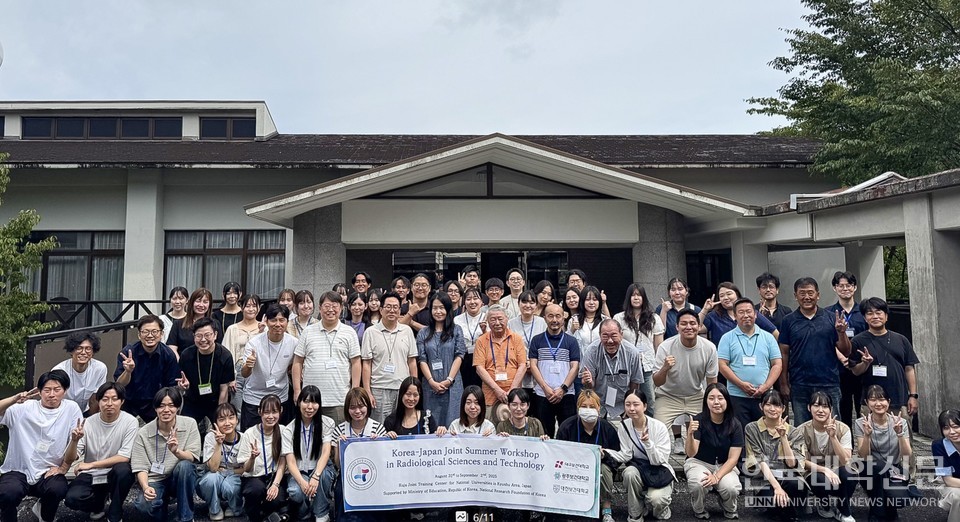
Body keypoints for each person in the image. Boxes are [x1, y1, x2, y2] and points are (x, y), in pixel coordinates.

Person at [0, 370, 84, 522]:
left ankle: (45, 516)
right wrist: (14, 399)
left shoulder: (71, 409)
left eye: (57, 389)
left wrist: (66, 461)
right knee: (7, 493)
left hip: (48, 470)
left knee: (58, 489)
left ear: (65, 391)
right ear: (39, 391)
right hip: (18, 469)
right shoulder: (23, 408)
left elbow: (74, 451)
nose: (52, 394)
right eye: (46, 390)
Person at [777, 277, 853, 425]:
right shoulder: (788, 321)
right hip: (800, 383)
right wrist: (784, 383)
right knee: (801, 428)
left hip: (829, 382)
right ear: (795, 295)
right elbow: (784, 353)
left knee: (832, 426)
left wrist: (841, 332)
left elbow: (846, 351)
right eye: (802, 293)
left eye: (810, 293)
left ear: (818, 295)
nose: (807, 297)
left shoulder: (831, 318)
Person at [62, 382, 139, 522]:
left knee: (124, 471)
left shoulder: (130, 422)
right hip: (92, 475)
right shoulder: (88, 423)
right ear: (98, 401)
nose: (109, 403)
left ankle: (115, 512)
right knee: (71, 499)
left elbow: (124, 456)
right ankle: (98, 504)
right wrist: (73, 441)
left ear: (122, 401)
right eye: (104, 399)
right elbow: (70, 458)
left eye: (114, 399)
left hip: (114, 472)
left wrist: (91, 464)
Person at [848, 297, 919, 433]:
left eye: (879, 312)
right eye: (870, 313)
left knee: (903, 443)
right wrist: (865, 363)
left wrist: (913, 396)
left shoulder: (901, 339)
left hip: (899, 400)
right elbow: (855, 371)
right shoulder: (857, 341)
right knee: (870, 443)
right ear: (865, 318)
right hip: (870, 403)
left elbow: (909, 369)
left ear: (886, 316)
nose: (875, 316)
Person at [131, 387, 201, 522]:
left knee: (185, 466)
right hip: (155, 480)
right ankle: (160, 509)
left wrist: (176, 451)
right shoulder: (144, 432)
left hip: (178, 478)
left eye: (171, 405)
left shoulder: (189, 424)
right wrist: (146, 487)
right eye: (161, 406)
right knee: (143, 506)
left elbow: (193, 457)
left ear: (178, 407)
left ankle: (185, 518)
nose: (166, 410)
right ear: (155, 408)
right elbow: (140, 467)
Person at [293, 290, 362, 424]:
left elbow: (356, 363)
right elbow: (297, 362)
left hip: (339, 400)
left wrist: (354, 391)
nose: (331, 310)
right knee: (311, 439)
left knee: (337, 439)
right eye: (326, 306)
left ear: (341, 308)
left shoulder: (349, 332)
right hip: (310, 401)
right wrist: (297, 390)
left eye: (335, 306)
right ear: (319, 308)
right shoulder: (308, 331)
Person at [555, 390, 621, 522]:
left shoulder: (608, 429)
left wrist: (605, 456)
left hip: (600, 470)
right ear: (578, 408)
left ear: (599, 408)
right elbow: (558, 453)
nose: (588, 410)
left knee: (605, 469)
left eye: (592, 407)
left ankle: (606, 509)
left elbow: (618, 457)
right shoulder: (567, 426)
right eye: (584, 406)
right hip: (573, 468)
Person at [717, 298, 783, 429]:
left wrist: (766, 386)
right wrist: (741, 385)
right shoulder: (727, 338)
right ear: (735, 316)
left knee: (766, 432)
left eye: (749, 311)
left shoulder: (768, 337)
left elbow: (777, 364)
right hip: (737, 395)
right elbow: (722, 365)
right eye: (741, 312)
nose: (746, 315)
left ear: (756, 314)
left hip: (764, 396)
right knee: (740, 433)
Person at [653, 310, 718, 441]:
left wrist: (711, 403)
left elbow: (712, 383)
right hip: (668, 396)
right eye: (683, 324)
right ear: (677, 327)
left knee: (708, 433)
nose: (688, 327)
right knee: (656, 433)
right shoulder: (665, 347)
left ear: (699, 326)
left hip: (696, 396)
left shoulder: (709, 348)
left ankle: (694, 458)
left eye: (692, 323)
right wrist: (665, 368)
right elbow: (657, 382)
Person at [612, 389, 675, 522]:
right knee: (629, 473)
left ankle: (661, 509)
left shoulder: (659, 427)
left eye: (636, 404)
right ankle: (636, 513)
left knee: (657, 500)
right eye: (627, 404)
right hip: (639, 469)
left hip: (659, 470)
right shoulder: (623, 426)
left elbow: (660, 460)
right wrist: (605, 452)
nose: (631, 408)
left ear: (645, 406)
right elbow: (626, 455)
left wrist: (648, 443)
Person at [743, 390, 807, 522]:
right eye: (768, 404)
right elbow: (759, 461)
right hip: (764, 480)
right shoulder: (751, 429)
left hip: (789, 478)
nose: (772, 409)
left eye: (777, 405)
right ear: (761, 407)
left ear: (783, 409)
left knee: (795, 486)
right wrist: (777, 487)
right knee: (772, 502)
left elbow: (791, 464)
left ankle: (787, 511)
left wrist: (783, 437)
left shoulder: (794, 432)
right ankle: (789, 512)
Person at [854, 384, 915, 521]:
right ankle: (878, 513)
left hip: (895, 469)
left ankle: (884, 509)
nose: (878, 403)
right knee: (879, 467)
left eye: (882, 399)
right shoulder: (861, 423)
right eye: (873, 400)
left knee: (900, 499)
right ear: (866, 403)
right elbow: (863, 456)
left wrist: (899, 434)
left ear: (888, 402)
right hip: (871, 471)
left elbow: (907, 454)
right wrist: (867, 435)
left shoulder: (900, 422)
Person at [683, 383, 744, 520]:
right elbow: (691, 453)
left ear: (727, 400)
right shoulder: (698, 420)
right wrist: (690, 434)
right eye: (711, 398)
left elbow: (733, 459)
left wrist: (716, 476)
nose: (716, 402)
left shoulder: (735, 424)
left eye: (720, 398)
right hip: (700, 462)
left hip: (725, 464)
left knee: (731, 488)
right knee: (699, 482)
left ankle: (729, 507)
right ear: (706, 401)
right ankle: (698, 508)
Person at [797, 391, 856, 522]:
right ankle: (824, 504)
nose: (820, 410)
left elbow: (846, 460)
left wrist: (833, 437)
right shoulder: (801, 430)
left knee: (850, 475)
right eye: (816, 406)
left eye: (825, 406)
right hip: (814, 470)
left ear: (831, 409)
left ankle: (843, 510)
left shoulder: (843, 428)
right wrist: (824, 470)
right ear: (809, 407)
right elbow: (802, 461)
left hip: (838, 468)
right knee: (818, 479)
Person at [362, 291, 418, 422]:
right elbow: (366, 364)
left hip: (403, 389)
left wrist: (414, 389)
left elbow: (412, 362)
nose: (392, 310)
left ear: (399, 311)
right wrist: (367, 391)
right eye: (388, 307)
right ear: (381, 310)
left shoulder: (407, 331)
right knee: (380, 429)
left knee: (402, 426)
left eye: (395, 307)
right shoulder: (370, 332)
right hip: (379, 389)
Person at [114, 314, 182, 422]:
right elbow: (119, 385)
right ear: (139, 335)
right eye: (145, 332)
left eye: (154, 331)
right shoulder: (128, 352)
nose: (150, 335)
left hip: (156, 404)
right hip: (129, 403)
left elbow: (171, 386)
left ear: (161, 334)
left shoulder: (168, 355)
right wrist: (128, 371)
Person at [241, 303, 298, 430]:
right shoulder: (254, 343)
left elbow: (295, 366)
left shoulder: (294, 343)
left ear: (287, 322)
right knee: (252, 437)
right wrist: (249, 365)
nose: (278, 324)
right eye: (273, 320)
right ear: (266, 321)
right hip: (254, 398)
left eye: (282, 320)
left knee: (280, 437)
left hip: (280, 398)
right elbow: (244, 374)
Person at [284, 386, 337, 522]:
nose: (310, 407)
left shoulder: (327, 423)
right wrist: (302, 483)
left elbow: (326, 452)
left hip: (319, 468)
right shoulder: (289, 429)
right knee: (295, 492)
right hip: (299, 471)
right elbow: (290, 462)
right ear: (298, 402)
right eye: (306, 401)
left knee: (324, 476)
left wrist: (316, 476)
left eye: (314, 402)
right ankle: (304, 511)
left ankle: (321, 512)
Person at [528, 303, 580, 438]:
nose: (554, 320)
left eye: (558, 316)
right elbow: (533, 365)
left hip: (566, 393)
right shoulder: (536, 340)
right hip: (543, 393)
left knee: (568, 433)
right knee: (545, 433)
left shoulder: (571, 341)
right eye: (550, 316)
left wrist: (562, 389)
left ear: (564, 318)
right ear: (544, 318)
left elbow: (575, 367)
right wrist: (545, 388)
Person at [614, 283, 665, 415]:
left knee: (649, 400)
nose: (636, 298)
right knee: (626, 398)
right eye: (633, 295)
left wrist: (659, 366)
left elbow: (659, 345)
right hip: (625, 365)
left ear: (644, 298)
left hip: (647, 365)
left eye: (639, 295)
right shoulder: (619, 318)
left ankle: (650, 429)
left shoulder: (654, 318)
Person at [417, 292, 466, 427]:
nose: (438, 311)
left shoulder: (456, 330)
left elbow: (460, 355)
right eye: (435, 308)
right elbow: (422, 359)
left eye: (442, 308)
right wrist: (431, 381)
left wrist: (449, 380)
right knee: (431, 424)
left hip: (453, 384)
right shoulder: (423, 332)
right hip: (430, 385)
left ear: (448, 309)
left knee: (453, 424)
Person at [828, 271, 869, 430]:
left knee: (863, 407)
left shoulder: (865, 311)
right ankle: (847, 445)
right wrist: (841, 357)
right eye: (841, 286)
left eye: (849, 285)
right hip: (840, 368)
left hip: (862, 367)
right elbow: (829, 340)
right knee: (843, 407)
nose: (845, 289)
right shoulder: (829, 313)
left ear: (855, 287)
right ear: (835, 288)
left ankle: (865, 442)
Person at [237, 394, 288, 522]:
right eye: (266, 412)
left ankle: (269, 515)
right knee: (255, 490)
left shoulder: (283, 431)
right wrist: (252, 458)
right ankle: (256, 515)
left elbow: (283, 462)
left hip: (275, 476)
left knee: (276, 498)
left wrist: (275, 485)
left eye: (274, 412)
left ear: (280, 411)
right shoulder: (249, 433)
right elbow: (246, 469)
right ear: (259, 412)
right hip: (254, 477)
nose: (270, 416)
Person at [581, 319, 645, 420]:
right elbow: (589, 387)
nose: (610, 341)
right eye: (605, 336)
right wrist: (588, 381)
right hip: (598, 401)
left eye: (614, 336)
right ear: (600, 335)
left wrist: (630, 406)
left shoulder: (632, 352)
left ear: (621, 334)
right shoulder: (591, 351)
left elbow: (635, 383)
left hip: (622, 401)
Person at [178, 317, 235, 429]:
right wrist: (183, 387)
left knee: (219, 429)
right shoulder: (186, 355)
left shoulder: (225, 356)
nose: (203, 340)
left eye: (207, 335)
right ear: (194, 337)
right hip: (193, 400)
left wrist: (220, 415)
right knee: (183, 428)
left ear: (215, 335)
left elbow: (224, 390)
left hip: (215, 401)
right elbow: (182, 383)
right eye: (198, 336)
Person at [473, 305, 528, 417]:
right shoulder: (481, 341)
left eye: (500, 319)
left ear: (507, 319)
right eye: (493, 319)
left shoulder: (516, 339)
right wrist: (497, 390)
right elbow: (479, 368)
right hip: (490, 395)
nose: (497, 322)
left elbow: (522, 366)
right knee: (490, 429)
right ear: (487, 322)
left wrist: (512, 390)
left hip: (515, 397)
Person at [197, 403, 245, 521]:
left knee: (229, 485)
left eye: (231, 417)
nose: (227, 423)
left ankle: (235, 507)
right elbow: (213, 468)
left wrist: (228, 472)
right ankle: (215, 508)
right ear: (216, 423)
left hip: (235, 475)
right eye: (222, 419)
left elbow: (246, 468)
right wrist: (218, 443)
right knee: (210, 479)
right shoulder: (210, 437)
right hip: (215, 475)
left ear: (237, 420)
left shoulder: (244, 438)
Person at [700, 282, 779, 350]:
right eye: (722, 296)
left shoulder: (751, 313)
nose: (726, 298)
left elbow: (775, 333)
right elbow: (697, 328)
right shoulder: (714, 316)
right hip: (724, 361)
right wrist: (705, 309)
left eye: (729, 294)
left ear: (737, 294)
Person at [223, 294, 264, 412]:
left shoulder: (265, 328)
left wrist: (262, 332)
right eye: (248, 306)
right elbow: (227, 354)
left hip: (258, 370)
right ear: (241, 307)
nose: (251, 309)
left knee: (257, 407)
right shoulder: (232, 328)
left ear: (259, 308)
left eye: (254, 306)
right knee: (238, 408)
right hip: (238, 370)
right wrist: (231, 377)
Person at [53, 331, 108, 415]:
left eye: (88, 348)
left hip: (87, 412)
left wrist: (89, 421)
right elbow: (55, 398)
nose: (83, 352)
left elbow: (96, 398)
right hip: (62, 413)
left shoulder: (100, 368)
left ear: (93, 352)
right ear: (71, 351)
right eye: (79, 348)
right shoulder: (59, 370)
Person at [507, 290, 546, 397]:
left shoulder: (542, 322)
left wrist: (533, 362)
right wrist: (523, 362)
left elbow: (545, 346)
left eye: (531, 302)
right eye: (524, 302)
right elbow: (508, 347)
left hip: (538, 371)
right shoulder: (511, 323)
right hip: (517, 371)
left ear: (536, 305)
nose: (528, 305)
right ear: (518, 303)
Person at [167, 287, 223, 356]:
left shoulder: (216, 324)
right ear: (191, 302)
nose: (201, 305)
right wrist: (180, 362)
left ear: (209, 304)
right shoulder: (178, 324)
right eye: (198, 301)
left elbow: (219, 347)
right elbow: (172, 347)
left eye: (205, 302)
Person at [453, 287, 486, 388]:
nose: (472, 302)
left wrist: (485, 332)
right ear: (464, 303)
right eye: (468, 299)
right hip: (463, 360)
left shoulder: (487, 317)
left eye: (475, 298)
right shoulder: (457, 320)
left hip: (482, 360)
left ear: (481, 302)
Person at [932, 409, 960, 522]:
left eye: (956, 426)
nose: (951, 432)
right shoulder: (938, 446)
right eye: (946, 428)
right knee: (957, 497)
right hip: (947, 486)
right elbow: (948, 480)